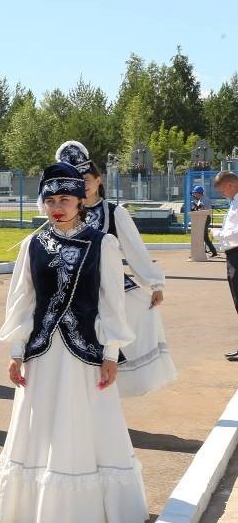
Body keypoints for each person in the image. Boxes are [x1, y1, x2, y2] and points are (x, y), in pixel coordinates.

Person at [0, 163, 147, 523]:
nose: (57, 207)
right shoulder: (32, 246)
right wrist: (15, 350)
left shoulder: (102, 244)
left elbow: (112, 303)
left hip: (84, 353)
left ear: (81, 201)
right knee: (39, 422)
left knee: (83, 424)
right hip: (42, 353)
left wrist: (111, 353)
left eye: (65, 199)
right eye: (50, 200)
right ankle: (33, 508)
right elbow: (22, 301)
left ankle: (85, 511)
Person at [57, 140, 176, 397]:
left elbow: (135, 250)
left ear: (99, 180)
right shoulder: (65, 213)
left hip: (107, 290)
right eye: (77, 179)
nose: (83, 184)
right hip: (71, 291)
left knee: (109, 343)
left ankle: (105, 399)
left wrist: (155, 283)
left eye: (87, 178)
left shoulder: (114, 213)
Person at [214, 170, 238, 360]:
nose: (222, 193)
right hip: (232, 256)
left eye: (223, 190)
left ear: (230, 185)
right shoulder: (234, 203)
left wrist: (218, 235)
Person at [190, 184, 219, 258]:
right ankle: (198, 252)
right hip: (199, 219)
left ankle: (213, 252)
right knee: (200, 236)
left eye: (195, 193)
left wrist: (200, 206)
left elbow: (207, 210)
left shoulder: (206, 199)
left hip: (205, 219)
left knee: (204, 236)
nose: (194, 194)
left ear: (199, 193)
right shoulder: (198, 200)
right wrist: (195, 207)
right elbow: (196, 210)